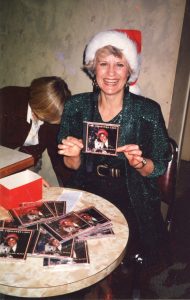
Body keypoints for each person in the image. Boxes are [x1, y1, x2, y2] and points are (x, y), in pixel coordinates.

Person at [58, 29, 172, 267]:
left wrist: (139, 163)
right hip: (88, 191)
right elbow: (71, 166)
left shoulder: (148, 111)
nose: (111, 73)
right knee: (69, 252)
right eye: (103, 64)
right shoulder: (75, 107)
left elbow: (159, 165)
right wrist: (73, 156)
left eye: (119, 64)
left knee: (126, 258)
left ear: (129, 70)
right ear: (93, 68)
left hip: (132, 195)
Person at [0, 76, 72, 186]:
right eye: (49, 119)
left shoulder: (55, 112)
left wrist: (69, 189)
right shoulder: (6, 99)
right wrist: (16, 176)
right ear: (40, 109)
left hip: (28, 160)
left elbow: (57, 157)